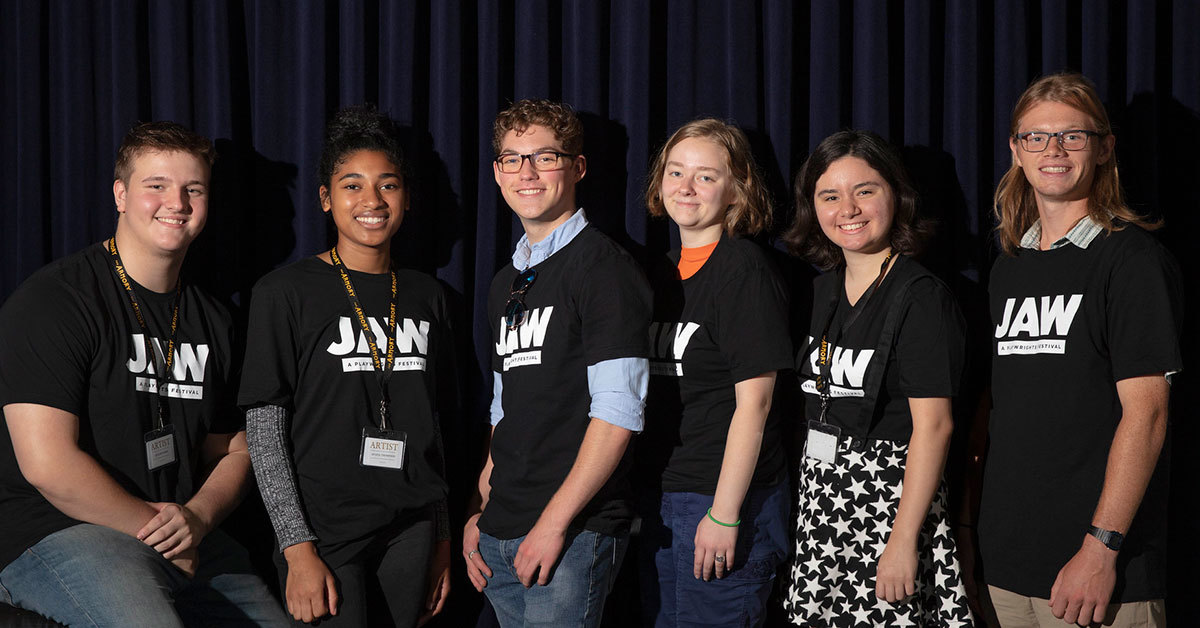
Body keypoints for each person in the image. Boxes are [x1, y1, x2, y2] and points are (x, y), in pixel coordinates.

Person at [0, 121, 288, 627]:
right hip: (61, 529)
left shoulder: (215, 319)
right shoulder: (56, 300)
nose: (176, 202)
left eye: (192, 189)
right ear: (121, 194)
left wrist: (197, 518)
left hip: (183, 531)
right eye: (156, 185)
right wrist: (160, 531)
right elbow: (47, 465)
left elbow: (235, 448)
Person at [979, 72, 1181, 627]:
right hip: (1006, 563)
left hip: (1098, 572)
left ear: (1104, 147)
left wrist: (1101, 549)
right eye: (1037, 137)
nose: (1054, 150)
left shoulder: (1131, 260)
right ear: (1016, 152)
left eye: (1073, 135)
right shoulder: (1008, 268)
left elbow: (1149, 415)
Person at [239, 105, 453, 627]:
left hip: (412, 527)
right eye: (352, 185)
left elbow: (439, 424)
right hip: (324, 531)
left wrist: (442, 537)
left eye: (388, 184)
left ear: (405, 197)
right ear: (325, 198)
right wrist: (296, 549)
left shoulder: (430, 295)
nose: (372, 201)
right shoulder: (284, 292)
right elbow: (264, 430)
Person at [460, 99, 652, 627]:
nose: (527, 173)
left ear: (577, 167)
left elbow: (618, 414)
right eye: (513, 159)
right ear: (497, 172)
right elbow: (505, 408)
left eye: (545, 157)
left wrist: (553, 524)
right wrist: (484, 508)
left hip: (571, 534)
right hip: (502, 529)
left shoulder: (604, 270)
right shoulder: (506, 281)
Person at [780, 130, 973, 626]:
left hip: (888, 510)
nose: (848, 208)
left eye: (864, 190)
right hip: (823, 506)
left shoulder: (922, 297)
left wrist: (903, 542)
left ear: (896, 195)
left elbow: (934, 427)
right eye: (830, 195)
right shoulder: (820, 292)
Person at [636, 119, 792, 627]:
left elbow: (757, 403)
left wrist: (724, 514)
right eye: (676, 172)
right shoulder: (655, 272)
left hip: (719, 501)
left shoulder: (743, 270)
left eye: (706, 176)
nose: (686, 187)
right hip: (661, 499)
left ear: (736, 189)